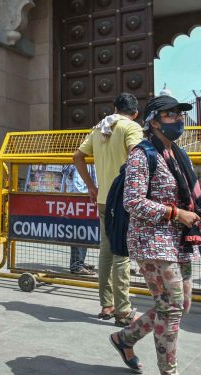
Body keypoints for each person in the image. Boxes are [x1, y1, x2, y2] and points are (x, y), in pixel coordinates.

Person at [108, 95, 201, 374]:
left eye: (180, 115)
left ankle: (125, 338)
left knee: (180, 305)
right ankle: (169, 370)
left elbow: (197, 205)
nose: (178, 120)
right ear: (153, 122)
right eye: (170, 115)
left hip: (180, 242)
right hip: (151, 242)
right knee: (171, 309)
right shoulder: (141, 154)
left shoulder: (180, 157)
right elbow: (132, 201)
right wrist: (173, 213)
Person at [73, 92, 142, 326]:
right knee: (121, 254)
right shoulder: (131, 127)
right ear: (135, 113)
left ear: (114, 107)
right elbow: (136, 157)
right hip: (123, 199)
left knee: (106, 251)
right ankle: (123, 310)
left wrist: (91, 187)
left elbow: (77, 156)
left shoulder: (100, 127)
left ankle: (106, 305)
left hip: (104, 198)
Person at [62, 164, 97, 275]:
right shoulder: (82, 159)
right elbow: (78, 186)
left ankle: (80, 262)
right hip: (80, 199)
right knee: (80, 232)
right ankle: (77, 265)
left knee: (85, 231)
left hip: (82, 198)